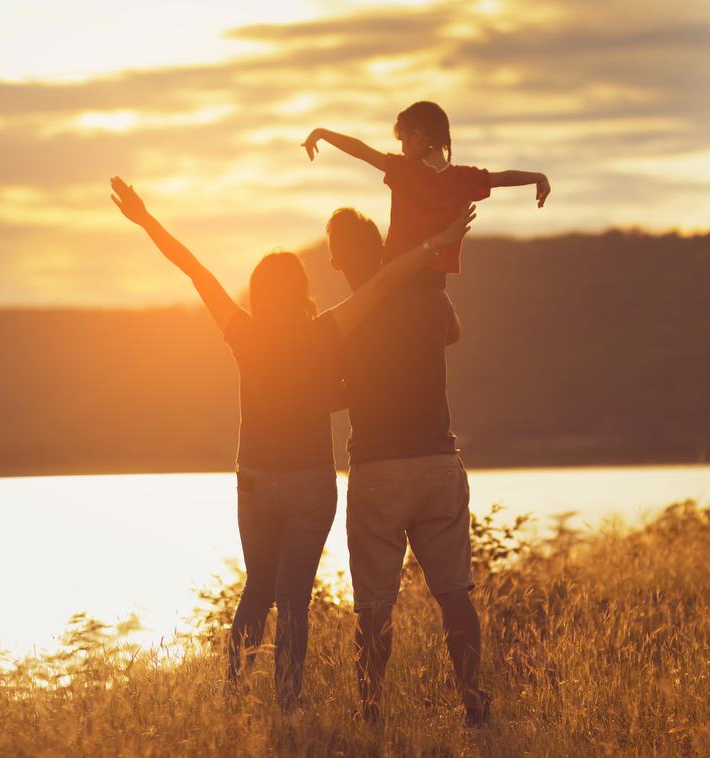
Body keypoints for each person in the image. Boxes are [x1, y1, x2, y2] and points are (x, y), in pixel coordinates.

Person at [108, 175, 475, 709]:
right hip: (310, 483)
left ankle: (232, 698)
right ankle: (287, 705)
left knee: (257, 589)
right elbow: (385, 281)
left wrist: (145, 220)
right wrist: (434, 242)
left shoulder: (242, 331)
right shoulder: (326, 331)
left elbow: (192, 268)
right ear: (300, 289)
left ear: (258, 291)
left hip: (255, 481)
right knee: (294, 600)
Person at [325, 206, 490, 728]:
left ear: (335, 260)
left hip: (377, 468)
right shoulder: (426, 298)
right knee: (454, 593)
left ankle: (371, 713)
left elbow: (329, 391)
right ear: (380, 248)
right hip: (438, 461)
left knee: (374, 605)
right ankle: (472, 701)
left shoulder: (345, 316)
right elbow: (454, 332)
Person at [302, 101, 550, 287]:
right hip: (434, 283)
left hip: (395, 274)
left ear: (418, 138)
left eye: (403, 139)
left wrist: (322, 133)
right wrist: (538, 177)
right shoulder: (464, 178)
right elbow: (503, 177)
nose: (401, 147)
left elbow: (361, 151)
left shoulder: (403, 170)